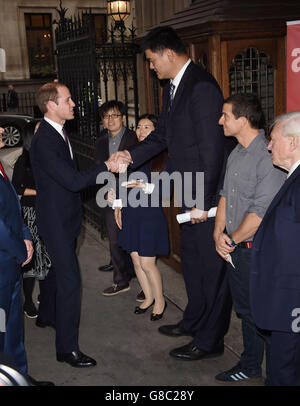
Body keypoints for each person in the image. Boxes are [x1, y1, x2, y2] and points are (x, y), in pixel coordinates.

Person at [110, 26, 233, 360]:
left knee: (211, 270)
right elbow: (162, 135)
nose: (151, 67)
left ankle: (210, 341)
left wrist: (206, 206)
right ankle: (193, 321)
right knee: (192, 264)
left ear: (167, 53)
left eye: (151, 60)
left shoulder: (202, 87)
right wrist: (130, 155)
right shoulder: (172, 89)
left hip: (203, 200)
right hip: (187, 194)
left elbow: (212, 151)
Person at [30, 81, 113, 368]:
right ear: (51, 105)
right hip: (55, 221)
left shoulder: (56, 131)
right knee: (70, 282)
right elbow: (74, 181)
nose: (74, 104)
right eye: (68, 100)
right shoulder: (45, 140)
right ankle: (67, 349)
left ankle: (47, 315)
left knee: (55, 272)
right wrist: (106, 166)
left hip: (64, 217)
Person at [213, 94, 286, 383]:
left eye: (225, 116)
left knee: (261, 313)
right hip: (234, 248)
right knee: (246, 310)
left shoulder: (266, 158)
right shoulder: (236, 152)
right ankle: (251, 364)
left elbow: (259, 213)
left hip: (254, 250)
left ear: (242, 121)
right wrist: (218, 232)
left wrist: (229, 238)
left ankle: (275, 373)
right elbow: (225, 194)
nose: (220, 121)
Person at [250, 111, 300, 386]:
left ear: (293, 143)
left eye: (273, 140)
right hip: (286, 303)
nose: (268, 145)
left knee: (284, 374)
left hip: (292, 305)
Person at [0, 126, 53, 385]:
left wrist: (24, 235)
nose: (2, 129)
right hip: (2, 264)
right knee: (0, 332)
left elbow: (12, 204)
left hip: (8, 266)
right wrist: (20, 247)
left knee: (12, 329)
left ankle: (18, 377)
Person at [114, 114, 169, 320]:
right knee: (136, 261)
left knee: (147, 263)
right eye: (138, 126)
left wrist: (143, 185)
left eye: (147, 127)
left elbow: (167, 188)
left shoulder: (163, 155)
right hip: (130, 212)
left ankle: (160, 301)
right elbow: (120, 181)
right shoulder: (131, 153)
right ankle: (148, 298)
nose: (141, 130)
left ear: (156, 131)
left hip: (149, 214)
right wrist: (117, 206)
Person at [94, 100, 137, 297]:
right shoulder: (101, 141)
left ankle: (135, 273)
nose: (110, 119)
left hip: (132, 196)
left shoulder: (133, 139)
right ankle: (121, 280)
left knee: (133, 240)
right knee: (114, 241)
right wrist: (104, 192)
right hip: (110, 197)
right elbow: (97, 169)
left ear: (123, 118)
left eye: (115, 115)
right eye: (106, 116)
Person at [12, 121, 51, 319]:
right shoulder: (24, 159)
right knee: (31, 257)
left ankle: (44, 297)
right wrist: (39, 192)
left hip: (49, 212)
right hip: (30, 213)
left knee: (46, 257)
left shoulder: (50, 156)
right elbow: (16, 187)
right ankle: (28, 300)